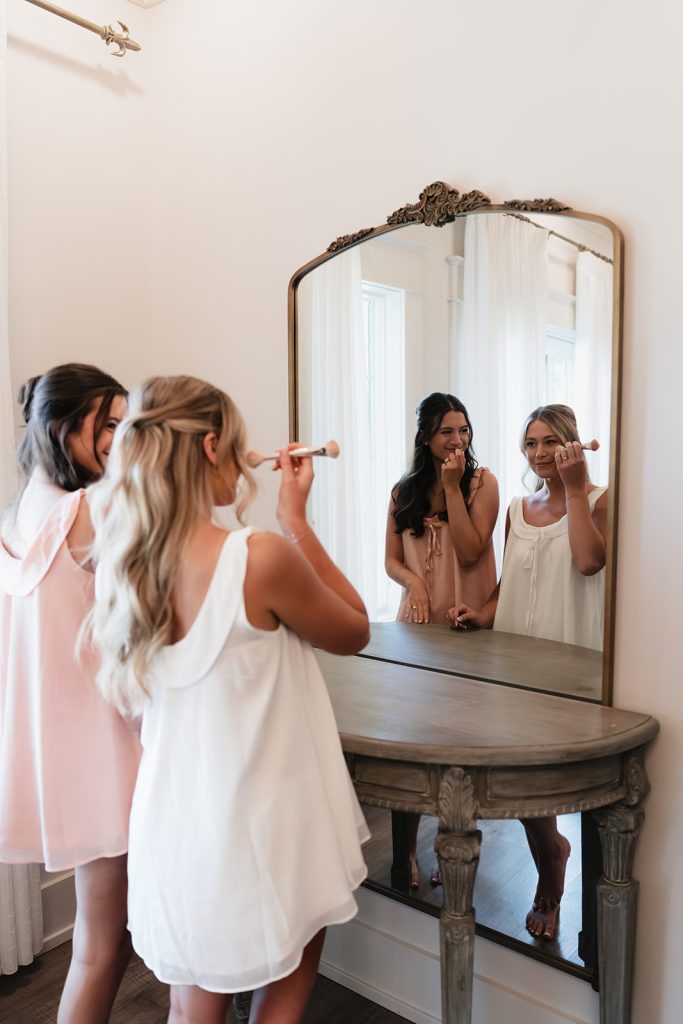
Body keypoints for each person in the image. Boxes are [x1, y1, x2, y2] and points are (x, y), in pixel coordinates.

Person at [87, 375, 371, 1024]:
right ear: (212, 446)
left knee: (192, 1010)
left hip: (174, 826)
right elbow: (354, 629)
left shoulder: (124, 565)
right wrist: (294, 518)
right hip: (268, 826)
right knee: (281, 1000)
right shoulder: (257, 557)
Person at [0, 363, 141, 1023]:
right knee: (103, 940)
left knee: (100, 933)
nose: (119, 436)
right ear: (63, 426)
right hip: (107, 743)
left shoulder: (23, 511)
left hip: (55, 746)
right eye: (108, 422)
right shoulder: (89, 508)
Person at [449, 403, 608, 940]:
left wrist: (577, 488)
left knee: (565, 780)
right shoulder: (518, 509)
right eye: (530, 444)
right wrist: (482, 614)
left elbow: (589, 562)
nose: (539, 454)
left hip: (573, 664)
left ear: (571, 443)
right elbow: (506, 588)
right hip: (516, 663)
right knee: (523, 784)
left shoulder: (601, 499)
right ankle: (552, 861)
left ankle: (563, 884)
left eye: (548, 443)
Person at [385, 392, 499, 887]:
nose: (458, 440)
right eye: (447, 431)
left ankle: (451, 850)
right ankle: (403, 853)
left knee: (460, 749)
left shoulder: (482, 482)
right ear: (426, 437)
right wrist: (412, 583)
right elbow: (390, 559)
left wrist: (453, 488)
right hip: (414, 631)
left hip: (465, 627)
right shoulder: (403, 491)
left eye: (464, 430)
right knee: (409, 751)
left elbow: (473, 553)